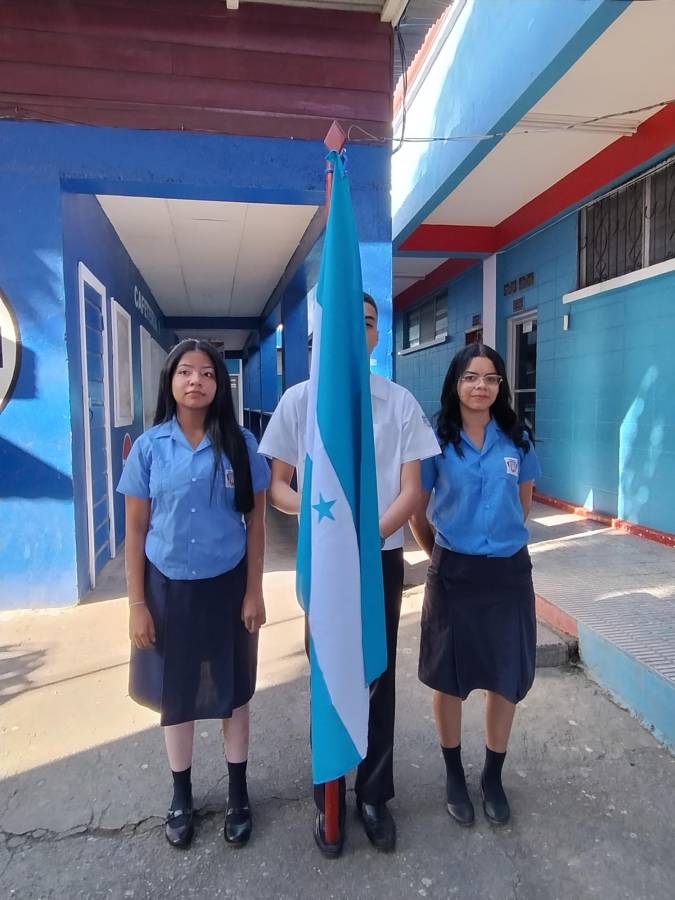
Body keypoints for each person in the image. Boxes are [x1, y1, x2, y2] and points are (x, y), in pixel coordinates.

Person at [258, 293, 440, 856]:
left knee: (376, 676)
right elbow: (279, 486)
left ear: (376, 335)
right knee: (327, 677)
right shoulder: (299, 401)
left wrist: (361, 539)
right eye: (343, 321)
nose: (354, 331)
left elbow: (412, 492)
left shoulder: (400, 402)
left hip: (380, 559)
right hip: (325, 562)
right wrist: (326, 529)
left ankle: (373, 795)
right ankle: (328, 796)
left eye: (365, 322)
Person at [117, 339, 270, 849]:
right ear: (171, 381)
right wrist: (138, 605)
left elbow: (256, 523)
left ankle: (237, 791)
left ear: (219, 386)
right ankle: (181, 794)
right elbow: (136, 531)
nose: (197, 381)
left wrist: (253, 591)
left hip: (228, 589)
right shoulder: (149, 447)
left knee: (234, 694)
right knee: (176, 697)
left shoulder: (242, 444)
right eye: (186, 372)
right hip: (168, 592)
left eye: (208, 373)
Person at [409, 343, 541, 828]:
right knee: (449, 676)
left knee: (505, 675)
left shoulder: (517, 439)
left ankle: (492, 775)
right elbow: (419, 512)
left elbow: (521, 505)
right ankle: (452, 774)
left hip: (507, 574)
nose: (480, 386)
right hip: (453, 574)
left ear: (500, 386)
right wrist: (442, 555)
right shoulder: (436, 440)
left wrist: (492, 544)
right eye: (470, 377)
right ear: (455, 383)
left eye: (490, 378)